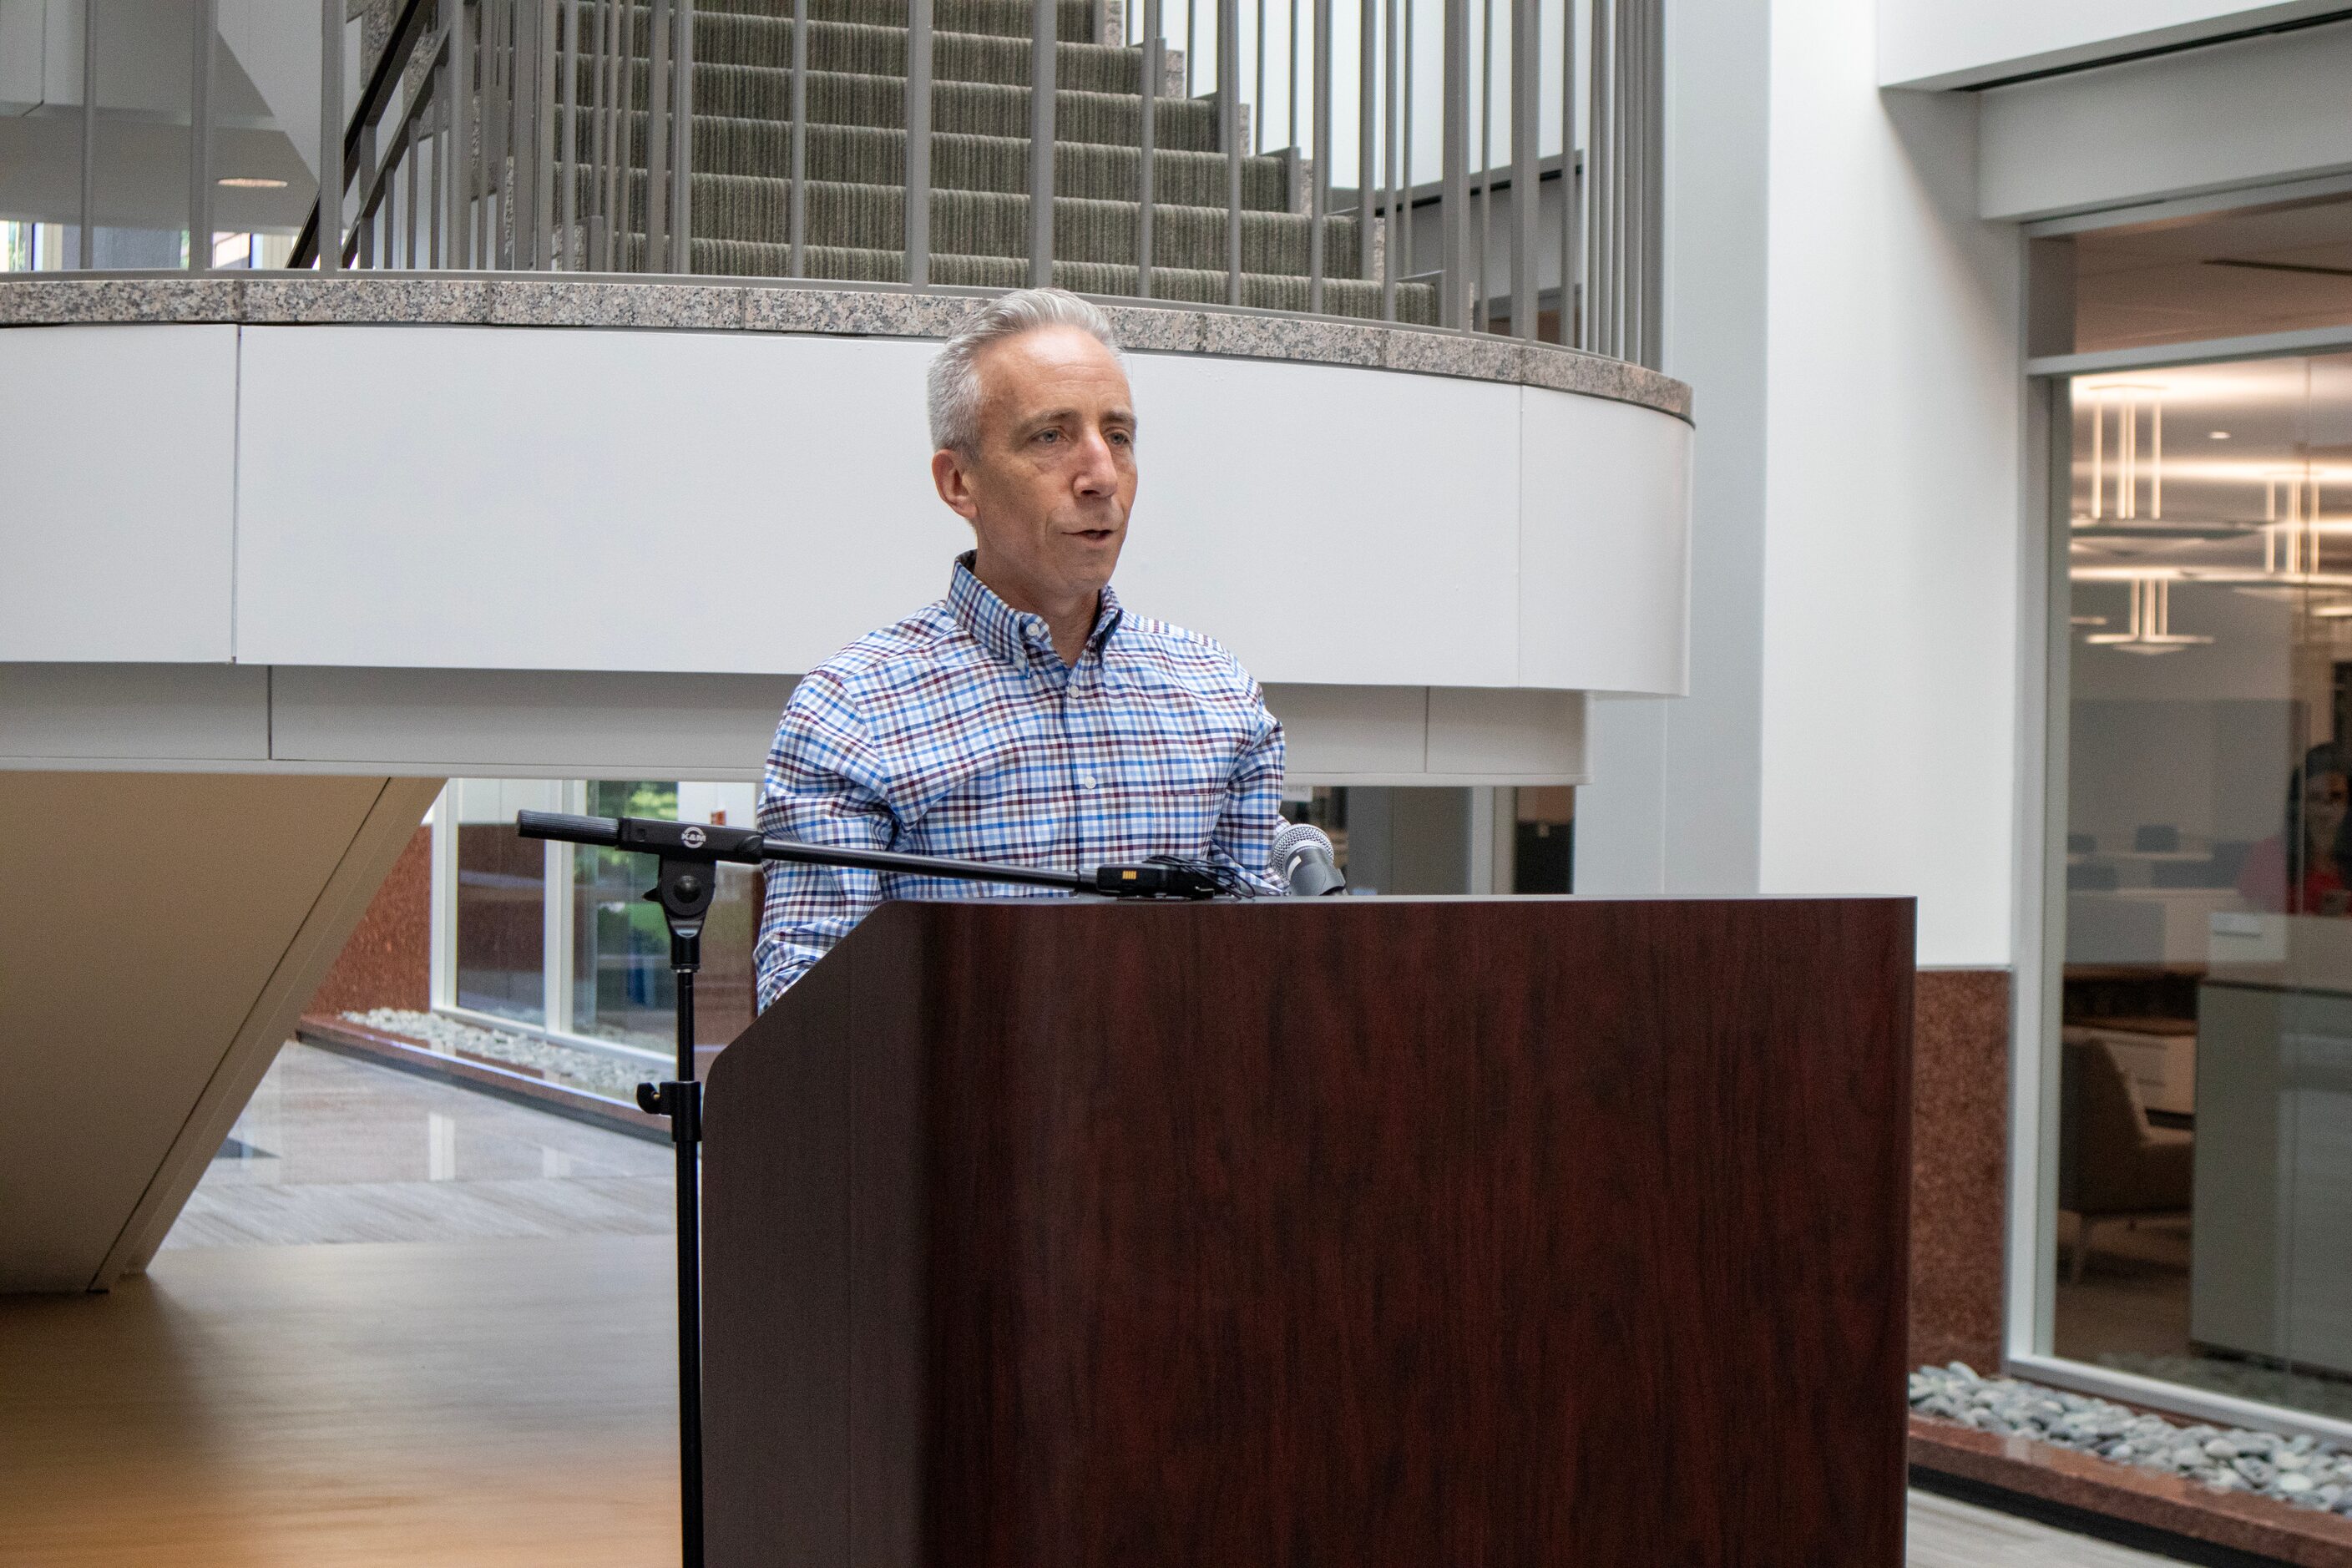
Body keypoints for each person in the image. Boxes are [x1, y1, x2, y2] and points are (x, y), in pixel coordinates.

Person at [752, 288, 1285, 1008]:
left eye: (1118, 436)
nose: (1101, 477)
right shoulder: (853, 711)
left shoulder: (1218, 693)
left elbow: (1260, 975)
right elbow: (809, 1011)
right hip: (961, 1116)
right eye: (1050, 437)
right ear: (959, 482)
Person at [2238, 743, 2352, 916]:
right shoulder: (2269, 854)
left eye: (2336, 797)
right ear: (2300, 803)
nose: (2325, 809)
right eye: (2315, 797)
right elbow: (2252, 927)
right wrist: (2296, 927)